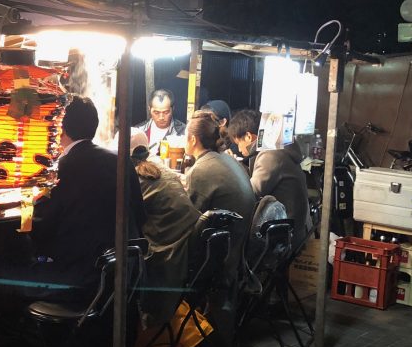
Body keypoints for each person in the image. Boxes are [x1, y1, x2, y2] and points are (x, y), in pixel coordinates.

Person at [31, 96, 146, 291]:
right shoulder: (120, 161)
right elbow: (141, 215)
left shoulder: (58, 169)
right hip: (121, 276)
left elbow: (40, 229)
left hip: (76, 278)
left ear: (60, 128)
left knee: (6, 270)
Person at [130, 132, 202, 324]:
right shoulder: (163, 171)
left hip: (166, 258)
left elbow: (120, 219)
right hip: (188, 255)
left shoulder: (136, 180)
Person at [184, 110, 256, 280]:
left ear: (193, 139)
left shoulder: (201, 169)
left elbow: (189, 218)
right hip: (239, 246)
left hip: (220, 255)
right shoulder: (227, 159)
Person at [230, 108, 312, 245]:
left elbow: (251, 193)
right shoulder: (278, 149)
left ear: (248, 137)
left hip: (284, 235)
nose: (238, 149)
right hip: (294, 226)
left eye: (238, 143)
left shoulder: (270, 154)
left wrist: (232, 168)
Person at [135, 88, 186, 156]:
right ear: (149, 109)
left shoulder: (183, 132)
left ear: (173, 109)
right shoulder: (139, 130)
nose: (161, 117)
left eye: (166, 112)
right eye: (156, 112)